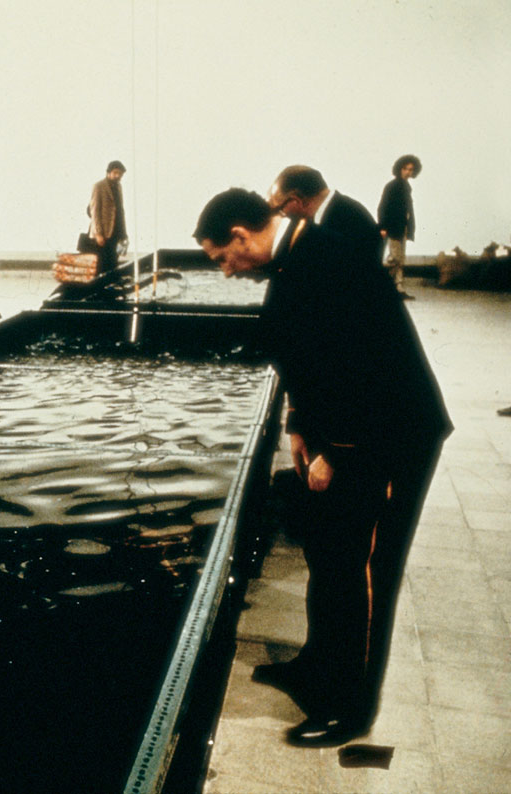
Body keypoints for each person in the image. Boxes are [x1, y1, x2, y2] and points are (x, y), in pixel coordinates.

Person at [193, 188, 451, 748]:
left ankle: (349, 707)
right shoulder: (298, 256)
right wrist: (298, 426)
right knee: (327, 553)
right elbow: (311, 354)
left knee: (364, 570)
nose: (227, 271)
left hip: (388, 438)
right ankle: (316, 665)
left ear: (241, 235)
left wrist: (339, 451)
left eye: (222, 258)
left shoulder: (329, 258)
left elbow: (366, 367)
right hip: (343, 430)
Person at [268, 165, 382, 265]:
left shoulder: (341, 223)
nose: (282, 216)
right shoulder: (345, 211)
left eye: (280, 209)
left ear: (296, 201)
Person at [376, 154, 421, 299]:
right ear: (399, 169)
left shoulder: (406, 187)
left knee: (400, 259)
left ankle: (398, 288)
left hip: (402, 227)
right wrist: (383, 226)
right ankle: (383, 285)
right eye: (405, 169)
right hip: (393, 227)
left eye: (411, 169)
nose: (408, 172)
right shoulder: (392, 186)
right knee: (394, 258)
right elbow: (383, 206)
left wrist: (410, 228)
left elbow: (408, 209)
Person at [87, 160, 128, 273]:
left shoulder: (119, 187)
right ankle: (100, 289)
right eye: (115, 173)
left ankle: (110, 287)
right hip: (103, 233)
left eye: (120, 174)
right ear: (108, 172)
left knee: (113, 261)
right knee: (101, 263)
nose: (118, 176)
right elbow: (94, 211)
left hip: (116, 231)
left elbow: (120, 210)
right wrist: (98, 233)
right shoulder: (99, 186)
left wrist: (123, 233)